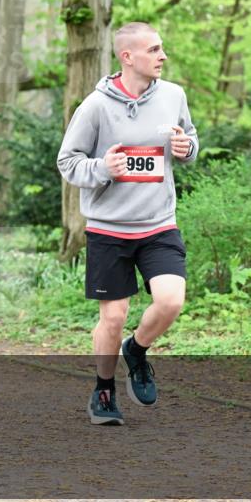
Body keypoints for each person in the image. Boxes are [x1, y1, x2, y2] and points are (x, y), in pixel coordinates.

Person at [56, 22, 198, 425]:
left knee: (171, 301)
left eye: (161, 48)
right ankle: (104, 389)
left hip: (158, 224)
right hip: (109, 229)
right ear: (127, 57)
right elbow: (67, 161)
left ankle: (135, 349)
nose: (162, 56)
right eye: (154, 50)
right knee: (113, 317)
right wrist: (104, 168)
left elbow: (190, 139)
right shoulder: (95, 106)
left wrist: (187, 148)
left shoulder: (173, 95)